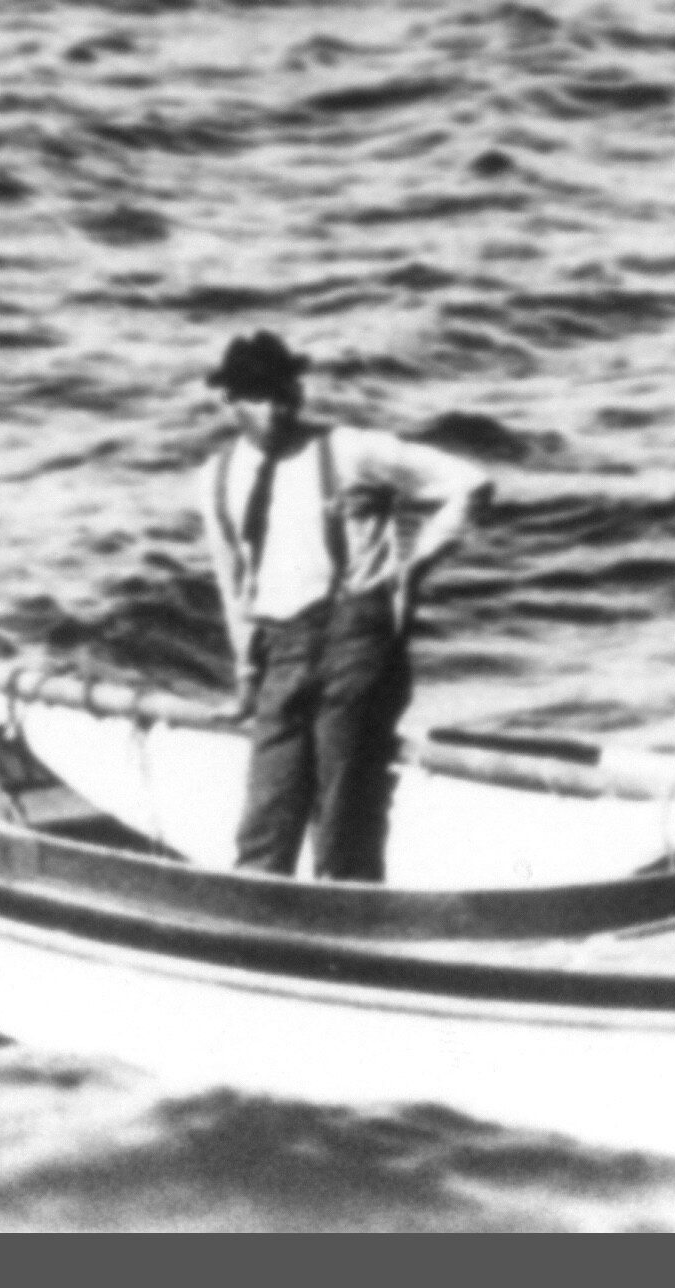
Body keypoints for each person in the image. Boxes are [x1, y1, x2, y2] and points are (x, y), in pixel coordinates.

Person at [198, 326, 498, 883]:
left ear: (298, 393)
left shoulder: (351, 450)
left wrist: (416, 565)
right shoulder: (216, 479)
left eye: (283, 394)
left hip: (355, 645)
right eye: (257, 398)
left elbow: (470, 483)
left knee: (344, 815)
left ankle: (349, 913)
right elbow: (234, 586)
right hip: (281, 655)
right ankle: (259, 913)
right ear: (229, 401)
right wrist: (246, 679)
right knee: (265, 818)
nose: (274, 410)